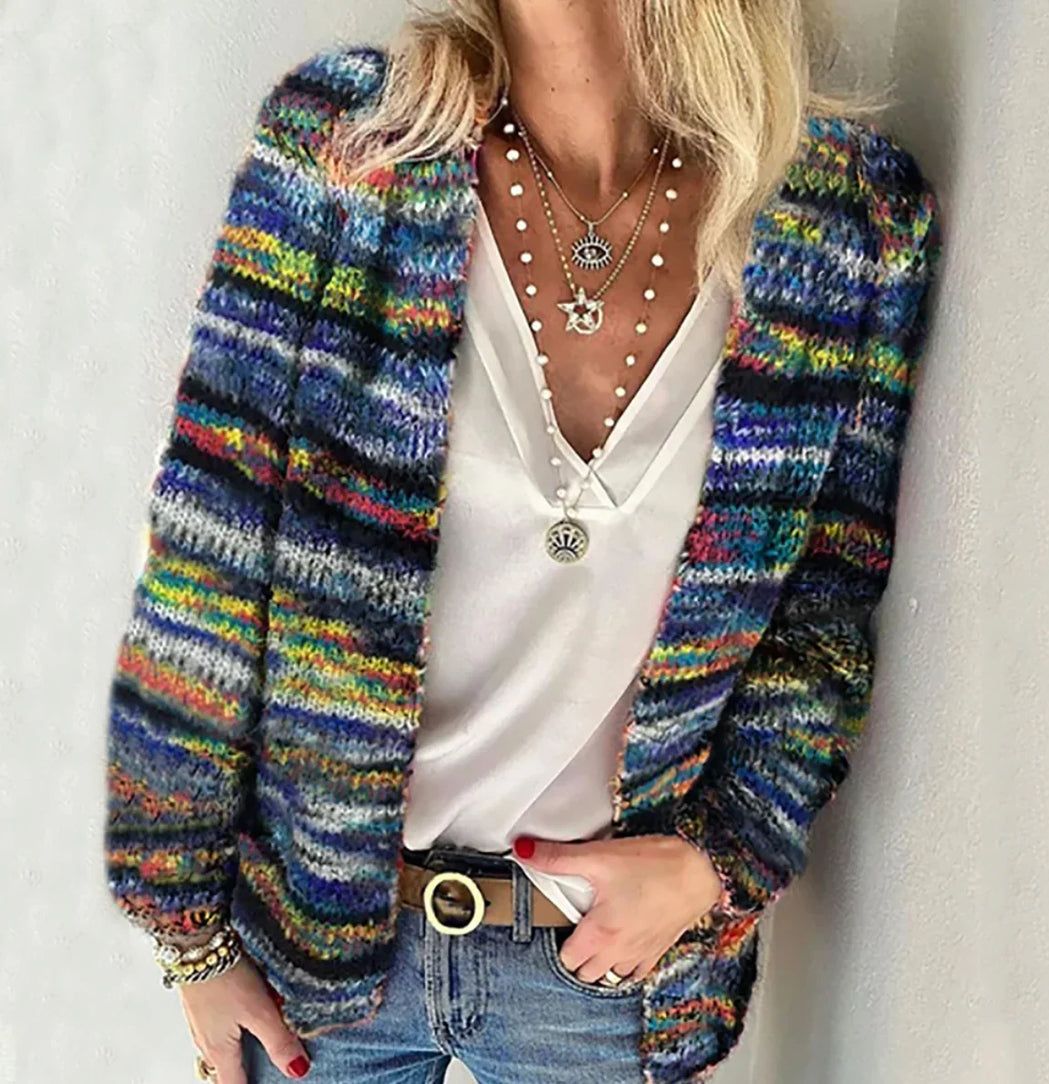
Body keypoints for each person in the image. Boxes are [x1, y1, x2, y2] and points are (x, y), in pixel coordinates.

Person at [102, 2, 943, 1082]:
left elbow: (825, 607)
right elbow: (207, 559)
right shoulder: (348, 149)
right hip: (318, 948)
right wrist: (190, 936)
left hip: (601, 970)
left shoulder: (847, 222)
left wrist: (720, 860)